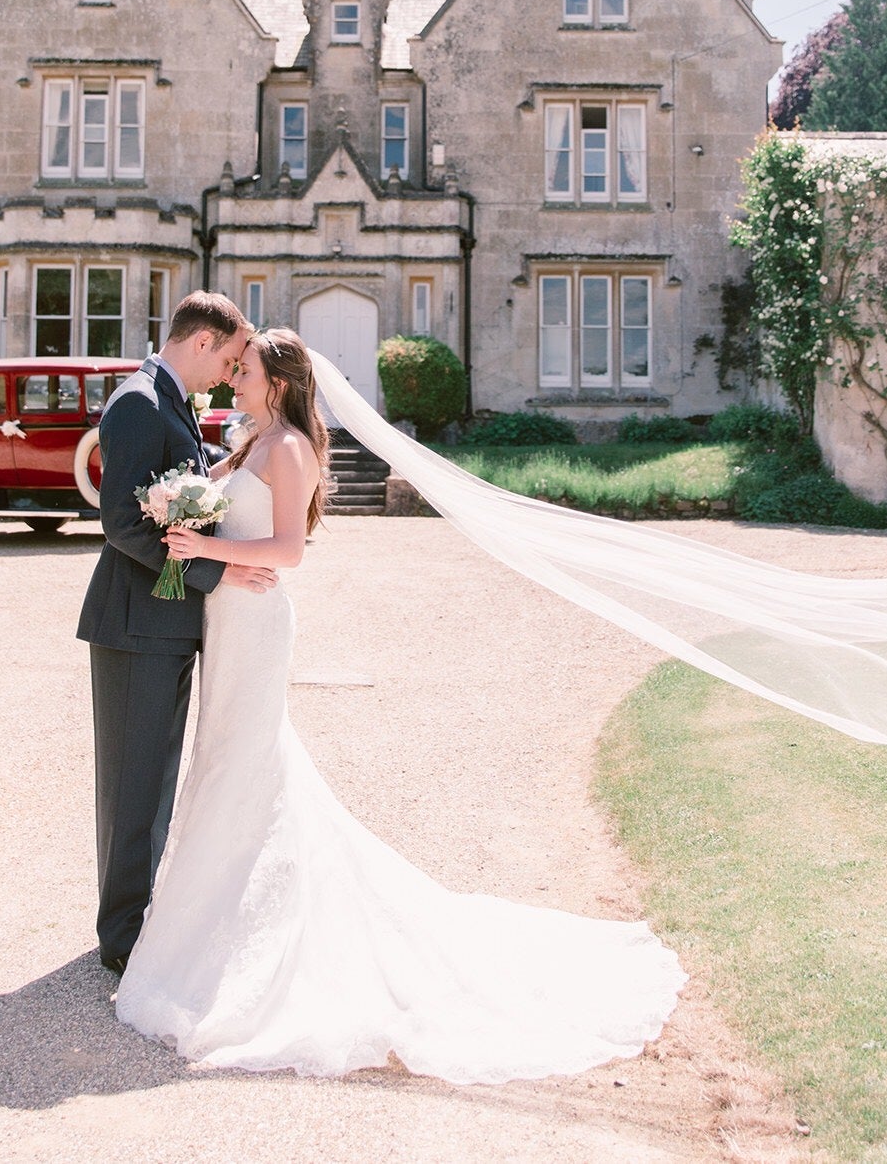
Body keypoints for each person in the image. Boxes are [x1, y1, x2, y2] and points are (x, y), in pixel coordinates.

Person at [112, 328, 685, 1081]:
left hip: (255, 623)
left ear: (277, 382)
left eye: (244, 370)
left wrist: (204, 551)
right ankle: (215, 929)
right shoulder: (255, 440)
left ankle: (241, 945)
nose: (232, 380)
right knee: (224, 765)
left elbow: (289, 550)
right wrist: (176, 512)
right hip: (227, 622)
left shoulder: (289, 450)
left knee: (242, 769)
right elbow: (214, 502)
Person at [77, 290, 272, 978]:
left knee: (154, 780)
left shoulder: (173, 402)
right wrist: (210, 577)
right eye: (225, 356)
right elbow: (123, 523)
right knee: (132, 784)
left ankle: (137, 916)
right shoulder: (138, 401)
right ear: (200, 341)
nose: (227, 371)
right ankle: (122, 937)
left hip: (163, 626)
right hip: (135, 625)